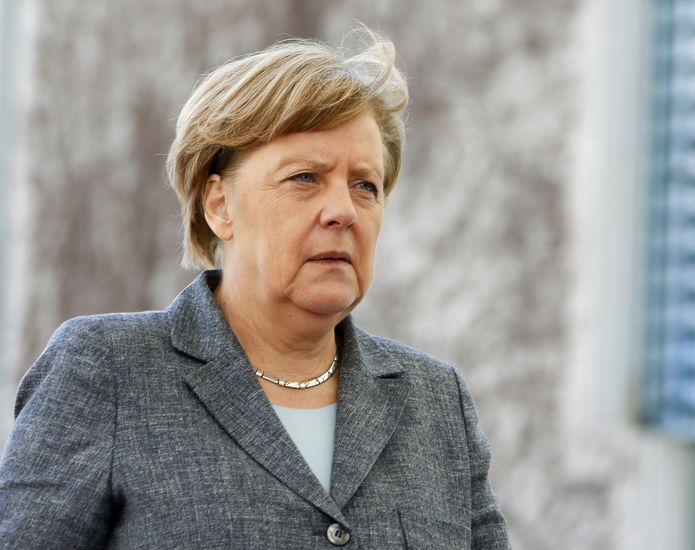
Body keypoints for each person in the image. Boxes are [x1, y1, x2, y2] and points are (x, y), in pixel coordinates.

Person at [0, 29, 511, 549]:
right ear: (219, 205)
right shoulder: (107, 370)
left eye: (365, 185)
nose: (343, 211)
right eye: (305, 177)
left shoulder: (436, 401)